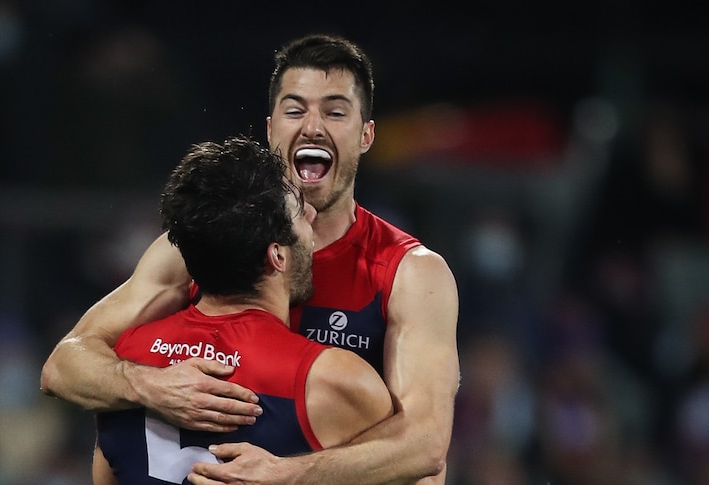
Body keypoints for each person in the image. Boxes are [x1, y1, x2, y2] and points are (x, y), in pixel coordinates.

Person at [42, 33, 460, 484]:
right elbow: (65, 364)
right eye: (295, 109)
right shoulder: (198, 242)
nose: (313, 127)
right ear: (269, 128)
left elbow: (424, 449)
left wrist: (287, 476)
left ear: (366, 135)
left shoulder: (411, 273)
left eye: (335, 112)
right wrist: (148, 385)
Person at [91, 135, 393, 484]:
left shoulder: (125, 355)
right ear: (276, 256)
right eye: (297, 210)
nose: (310, 212)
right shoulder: (335, 381)